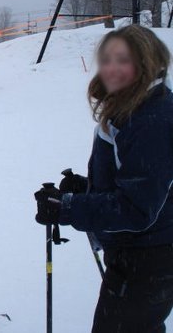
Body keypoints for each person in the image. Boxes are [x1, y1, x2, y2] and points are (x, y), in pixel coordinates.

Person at [34, 24, 173, 332]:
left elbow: (138, 209)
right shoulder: (135, 107)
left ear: (147, 63)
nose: (112, 69)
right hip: (139, 257)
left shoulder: (151, 118)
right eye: (107, 59)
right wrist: (86, 190)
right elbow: (140, 183)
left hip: (148, 259)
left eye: (123, 60)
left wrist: (70, 208)